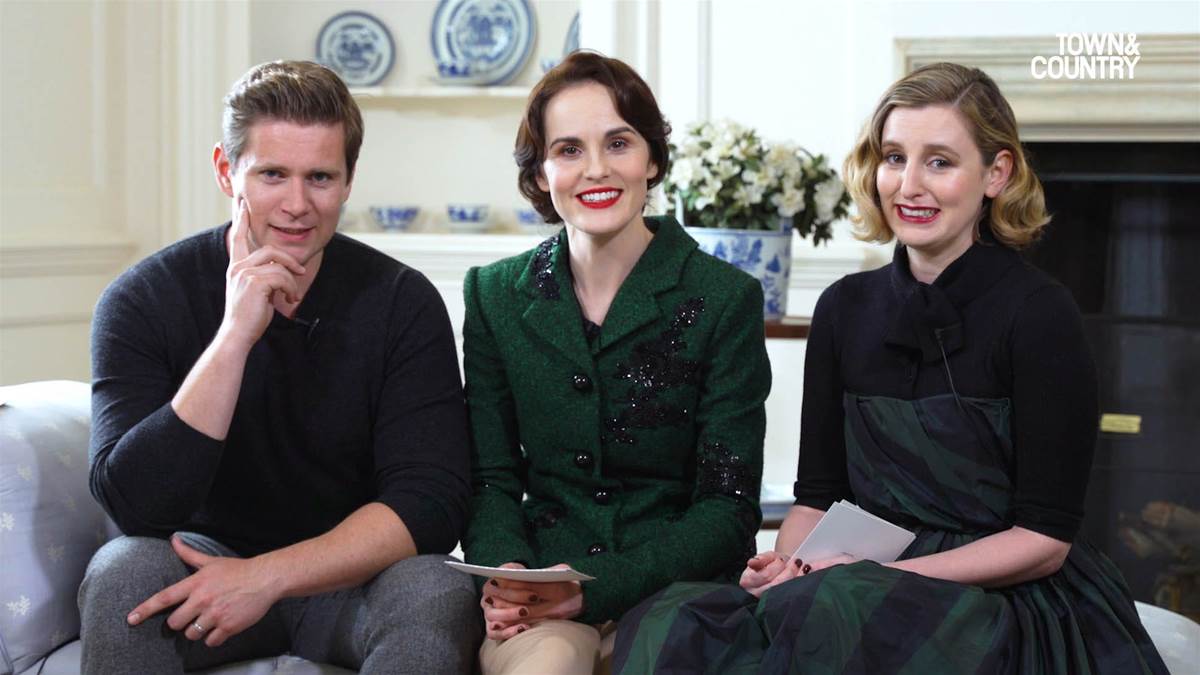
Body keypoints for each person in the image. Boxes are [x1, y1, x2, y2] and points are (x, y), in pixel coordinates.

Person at [612, 62, 1168, 673]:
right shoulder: (842, 309)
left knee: (835, 611)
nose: (909, 185)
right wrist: (790, 567)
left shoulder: (1041, 313)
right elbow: (815, 500)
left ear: (997, 173)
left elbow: (1043, 543)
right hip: (853, 587)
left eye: (940, 162)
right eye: (895, 157)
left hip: (1001, 600)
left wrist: (877, 576)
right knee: (667, 619)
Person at [80, 60, 480, 674]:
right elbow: (135, 506)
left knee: (437, 587)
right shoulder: (142, 299)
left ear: (348, 181)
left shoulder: (402, 302)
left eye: (320, 177)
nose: (298, 205)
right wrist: (235, 336)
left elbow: (431, 502)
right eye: (272, 174)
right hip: (203, 571)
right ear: (226, 171)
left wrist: (266, 577)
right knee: (123, 571)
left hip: (352, 577)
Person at [460, 50, 771, 675]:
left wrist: (595, 589)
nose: (596, 169)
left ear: (652, 159)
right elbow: (490, 477)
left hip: (679, 592)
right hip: (540, 592)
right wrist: (510, 574)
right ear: (541, 171)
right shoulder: (492, 295)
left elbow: (727, 506)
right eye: (569, 149)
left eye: (619, 143)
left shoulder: (724, 298)